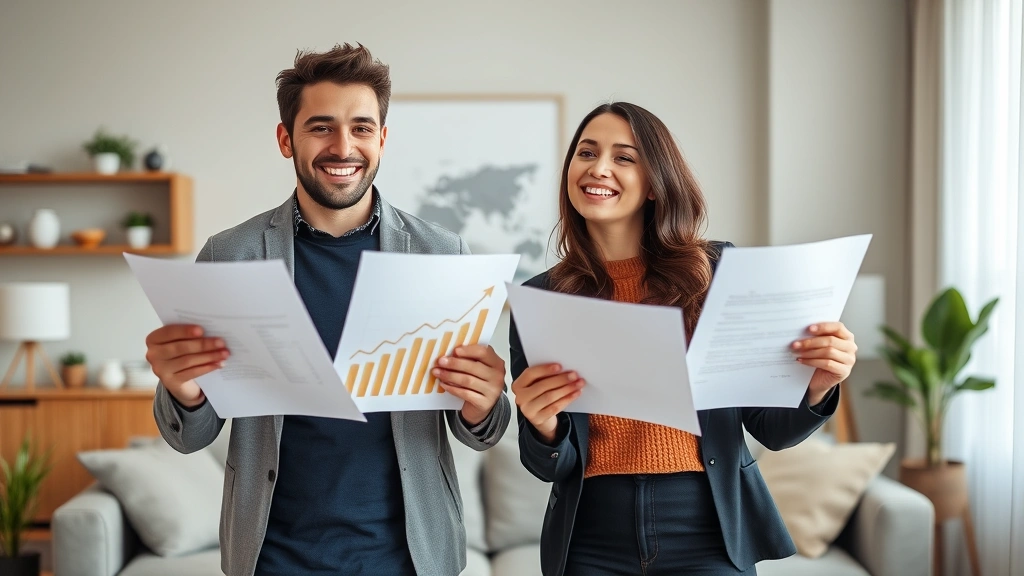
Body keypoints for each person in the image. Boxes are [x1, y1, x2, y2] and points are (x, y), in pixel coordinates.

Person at [144, 43, 511, 576]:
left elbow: (485, 428)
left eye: (362, 128)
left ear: (382, 139)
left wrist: (483, 401)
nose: (344, 146)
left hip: (411, 560)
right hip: (271, 559)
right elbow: (188, 436)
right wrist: (183, 390)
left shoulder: (441, 252)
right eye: (321, 127)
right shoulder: (229, 255)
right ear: (285, 139)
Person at [510, 102, 857, 576]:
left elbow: (771, 429)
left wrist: (817, 385)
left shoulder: (715, 273)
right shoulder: (541, 298)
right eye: (586, 153)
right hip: (592, 537)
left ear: (655, 183)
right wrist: (542, 425)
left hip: (706, 529)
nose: (599, 168)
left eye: (624, 157)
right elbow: (551, 464)